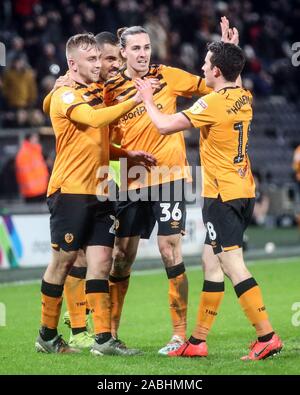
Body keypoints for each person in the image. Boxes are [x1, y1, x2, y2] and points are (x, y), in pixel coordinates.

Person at [135, 39, 283, 360]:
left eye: (206, 64)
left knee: (232, 266)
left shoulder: (211, 104)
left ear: (216, 71)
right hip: (243, 190)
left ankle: (266, 335)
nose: (201, 68)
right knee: (209, 262)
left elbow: (163, 126)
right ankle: (198, 341)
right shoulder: (242, 96)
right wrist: (231, 48)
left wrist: (148, 99)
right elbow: (234, 76)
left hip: (221, 197)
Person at [35, 32, 156, 355]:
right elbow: (92, 120)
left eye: (99, 58)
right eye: (91, 59)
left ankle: (103, 339)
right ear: (72, 64)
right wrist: (138, 99)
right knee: (61, 263)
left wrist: (127, 155)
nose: (98, 64)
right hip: (70, 192)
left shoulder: (94, 92)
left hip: (101, 191)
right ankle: (47, 334)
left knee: (101, 260)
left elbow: (97, 142)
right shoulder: (66, 95)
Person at [103, 25, 215, 355]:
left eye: (147, 47)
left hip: (170, 176)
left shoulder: (166, 75)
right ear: (122, 52)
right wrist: (125, 156)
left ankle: (179, 336)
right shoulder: (110, 90)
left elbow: (209, 86)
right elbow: (103, 140)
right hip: (131, 180)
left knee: (170, 250)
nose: (143, 53)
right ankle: (109, 336)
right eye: (135, 48)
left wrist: (226, 55)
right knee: (121, 258)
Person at [15, 133, 49, 203]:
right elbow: (24, 173)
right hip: (32, 192)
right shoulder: (25, 153)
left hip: (40, 190)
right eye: (35, 137)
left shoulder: (35, 151)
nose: (37, 139)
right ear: (30, 139)